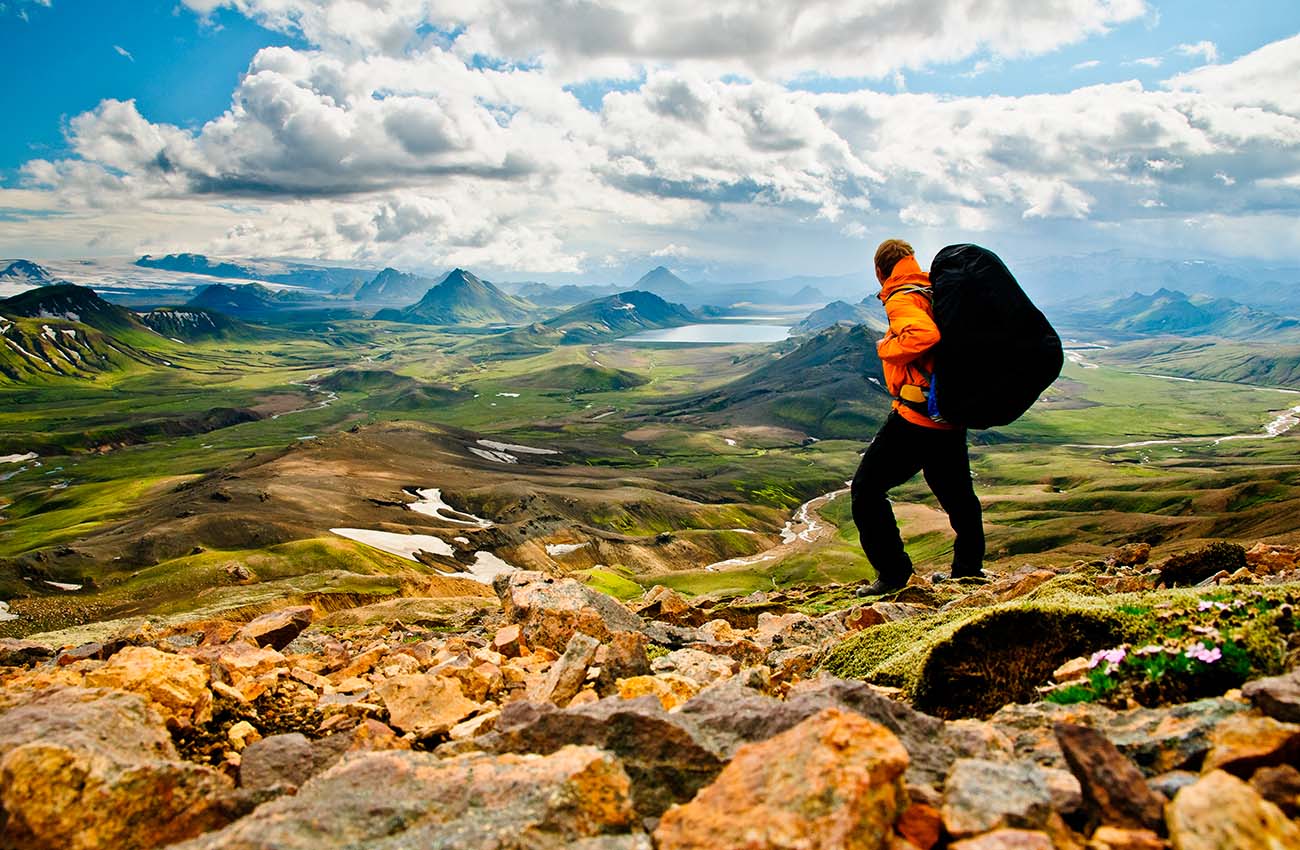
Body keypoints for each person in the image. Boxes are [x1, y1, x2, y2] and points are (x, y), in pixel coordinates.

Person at [852, 239, 985, 595]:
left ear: (880, 271)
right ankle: (968, 570)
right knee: (958, 497)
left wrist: (885, 347)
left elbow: (924, 335)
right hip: (948, 414)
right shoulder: (932, 290)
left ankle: (893, 572)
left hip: (917, 417)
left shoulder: (901, 296)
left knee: (866, 490)